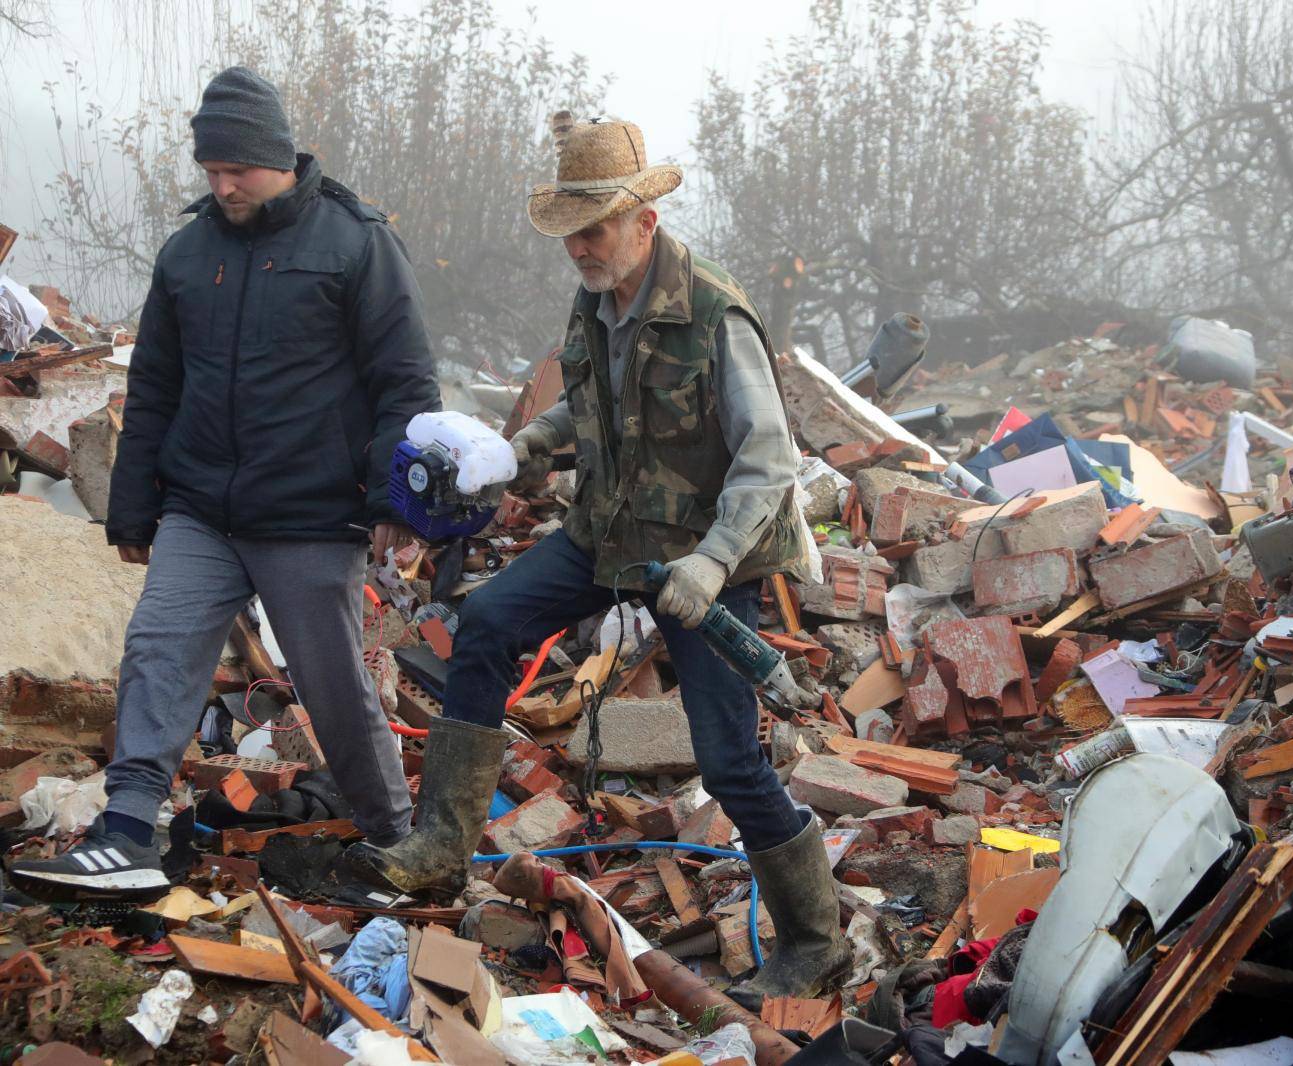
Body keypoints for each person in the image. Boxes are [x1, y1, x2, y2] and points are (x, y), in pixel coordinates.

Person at [346, 118, 850, 1004]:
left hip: (701, 561)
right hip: (606, 535)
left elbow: (769, 457)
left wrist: (712, 562)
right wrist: (533, 443)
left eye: (594, 229)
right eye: (569, 233)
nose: (578, 248)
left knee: (731, 763)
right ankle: (440, 847)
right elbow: (593, 409)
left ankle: (815, 936)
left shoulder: (713, 313)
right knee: (491, 621)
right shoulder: (596, 298)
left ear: (645, 221)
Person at [8, 67, 439, 901]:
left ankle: (398, 842)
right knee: (158, 649)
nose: (223, 185)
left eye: (237, 169)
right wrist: (134, 505)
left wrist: (395, 499)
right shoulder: (188, 251)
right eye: (211, 171)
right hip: (202, 511)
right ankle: (128, 828)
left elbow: (406, 384)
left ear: (279, 157)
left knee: (331, 684)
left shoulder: (355, 242)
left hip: (311, 518)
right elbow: (155, 388)